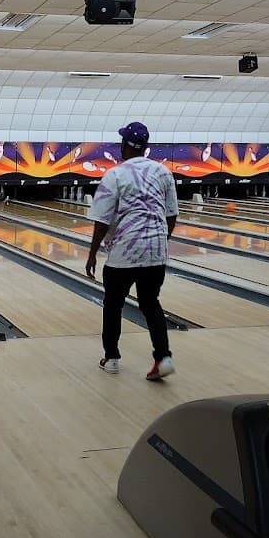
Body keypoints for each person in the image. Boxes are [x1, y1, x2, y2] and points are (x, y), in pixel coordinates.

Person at [85, 122, 178, 381]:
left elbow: (102, 220)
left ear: (124, 145)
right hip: (155, 251)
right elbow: (171, 215)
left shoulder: (114, 174)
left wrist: (92, 254)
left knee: (113, 305)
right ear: (146, 147)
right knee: (151, 303)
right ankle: (163, 357)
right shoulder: (163, 172)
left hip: (123, 253)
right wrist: (160, 241)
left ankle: (112, 358)